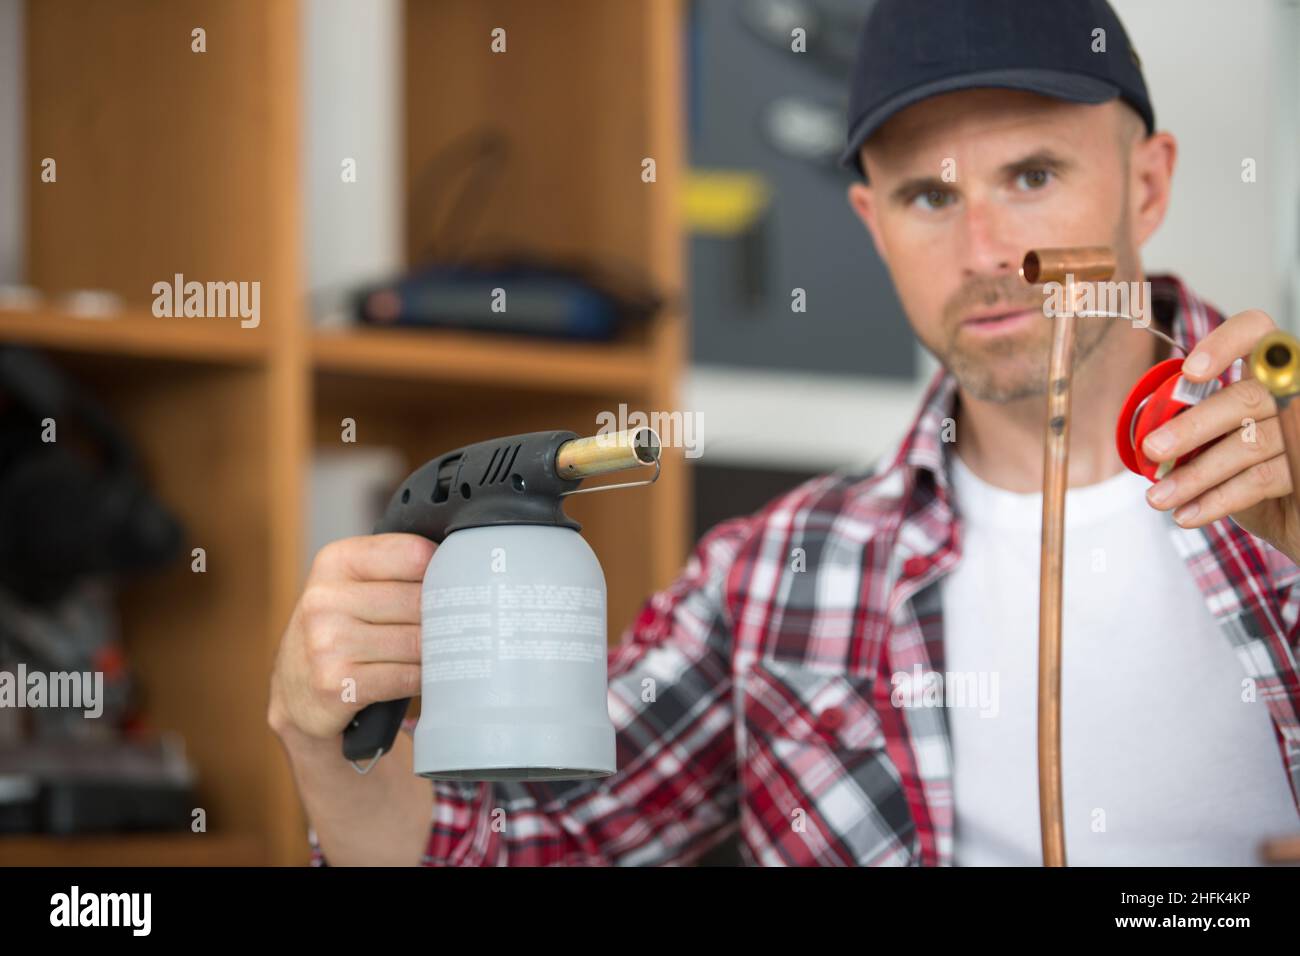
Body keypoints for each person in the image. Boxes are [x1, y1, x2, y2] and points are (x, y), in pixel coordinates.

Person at [268, 0, 1300, 865]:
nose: (986, 249)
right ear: (869, 222)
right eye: (927, 194)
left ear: (1148, 182)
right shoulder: (771, 577)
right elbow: (511, 846)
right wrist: (328, 747)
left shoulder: (1288, 453)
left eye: (1031, 176)